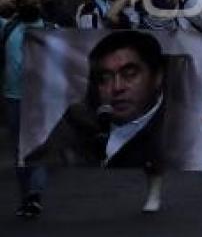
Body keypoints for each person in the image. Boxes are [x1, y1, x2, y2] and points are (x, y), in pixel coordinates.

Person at [26, 31, 167, 212]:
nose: (117, 88)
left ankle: (154, 193)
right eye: (104, 78)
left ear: (157, 76)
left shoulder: (178, 125)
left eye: (130, 74)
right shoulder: (79, 117)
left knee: (153, 162)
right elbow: (41, 156)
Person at [2, 0, 49, 218]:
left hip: (42, 99)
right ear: (18, 6)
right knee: (21, 149)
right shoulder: (7, 28)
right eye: (26, 3)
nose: (31, 6)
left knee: (39, 147)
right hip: (14, 97)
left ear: (41, 6)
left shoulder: (52, 30)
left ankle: (34, 194)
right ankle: (26, 197)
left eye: (35, 2)